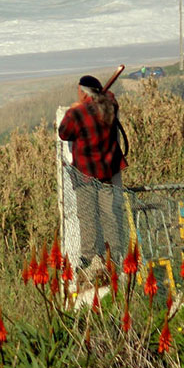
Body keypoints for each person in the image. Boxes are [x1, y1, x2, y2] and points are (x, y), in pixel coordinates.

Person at [59, 74, 129, 266]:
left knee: (87, 215)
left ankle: (88, 257)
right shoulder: (110, 106)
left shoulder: (77, 114)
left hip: (85, 173)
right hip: (108, 170)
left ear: (82, 92)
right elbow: (111, 96)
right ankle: (115, 256)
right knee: (110, 214)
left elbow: (64, 133)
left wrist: (73, 109)